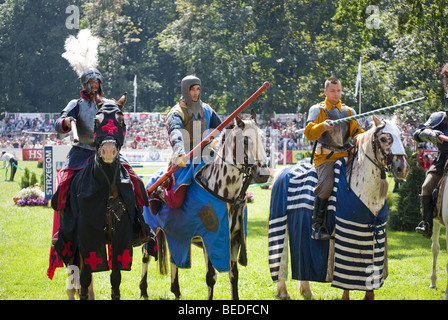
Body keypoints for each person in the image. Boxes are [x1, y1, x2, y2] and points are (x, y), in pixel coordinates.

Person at [149, 75, 222, 213]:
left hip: (208, 155)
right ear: (185, 90)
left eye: (198, 89)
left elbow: (222, 128)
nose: (196, 93)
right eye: (192, 89)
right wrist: (179, 152)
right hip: (186, 158)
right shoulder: (177, 112)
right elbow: (176, 133)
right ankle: (159, 193)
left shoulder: (207, 109)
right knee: (176, 201)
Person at [304, 77, 365, 240]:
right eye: (332, 91)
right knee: (326, 186)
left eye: (338, 90)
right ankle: (317, 226)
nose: (336, 94)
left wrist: (365, 136)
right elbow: (309, 133)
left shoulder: (349, 111)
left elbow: (357, 133)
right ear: (325, 92)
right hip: (326, 157)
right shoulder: (317, 110)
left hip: (347, 156)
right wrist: (322, 126)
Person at [413, 64, 448, 238]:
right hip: (444, 160)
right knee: (426, 187)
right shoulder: (440, 117)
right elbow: (417, 133)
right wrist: (431, 133)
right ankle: (426, 223)